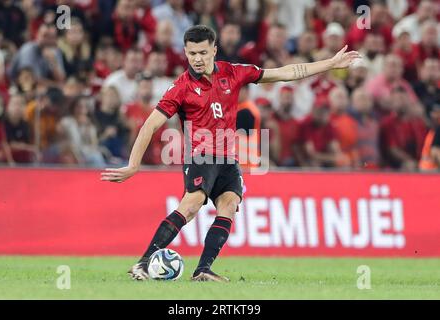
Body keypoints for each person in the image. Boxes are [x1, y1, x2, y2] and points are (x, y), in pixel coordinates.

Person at [101, 25, 360, 282]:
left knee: (229, 205)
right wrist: (133, 165)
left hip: (228, 158)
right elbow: (151, 124)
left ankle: (203, 270)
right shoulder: (180, 87)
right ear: (185, 53)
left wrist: (330, 64)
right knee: (190, 206)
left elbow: (284, 73)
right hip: (200, 156)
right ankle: (143, 262)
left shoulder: (234, 73)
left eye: (202, 52)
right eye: (192, 54)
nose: (197, 59)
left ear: (214, 50)